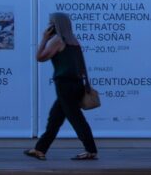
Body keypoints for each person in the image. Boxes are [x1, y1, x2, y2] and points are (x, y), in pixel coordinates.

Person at [23, 13, 97, 161]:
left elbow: (40, 57)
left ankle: (91, 150)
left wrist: (44, 38)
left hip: (64, 85)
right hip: (76, 84)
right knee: (55, 118)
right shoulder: (74, 40)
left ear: (56, 25)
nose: (49, 26)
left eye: (51, 23)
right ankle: (40, 149)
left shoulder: (57, 41)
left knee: (76, 119)